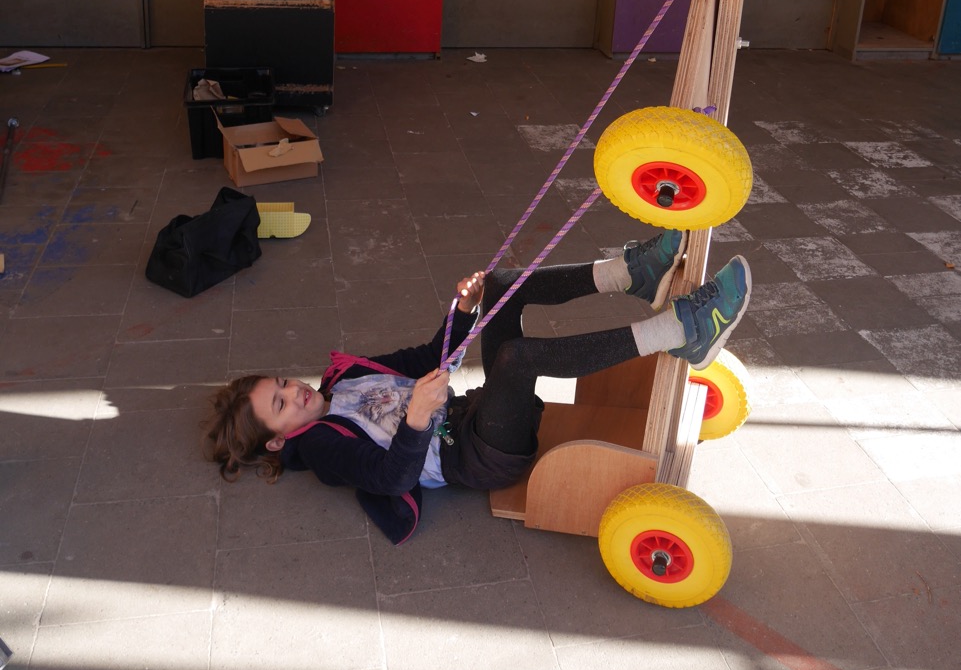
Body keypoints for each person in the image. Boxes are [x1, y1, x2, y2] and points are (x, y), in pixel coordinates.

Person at [204, 231, 751, 544]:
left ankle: (631, 275)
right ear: (279, 439)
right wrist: (416, 419)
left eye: (283, 383)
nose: (294, 392)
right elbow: (390, 479)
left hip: (475, 415)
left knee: (501, 286)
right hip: (477, 456)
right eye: (280, 405)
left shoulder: (342, 378)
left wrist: (464, 310)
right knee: (515, 359)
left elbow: (428, 358)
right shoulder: (323, 446)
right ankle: (681, 332)